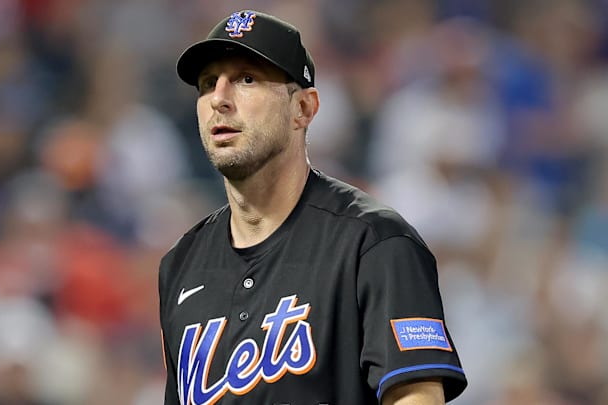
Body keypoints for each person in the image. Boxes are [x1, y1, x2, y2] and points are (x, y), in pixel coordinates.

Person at [159, 10, 467, 404]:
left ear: (303, 109)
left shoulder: (374, 243)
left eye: (246, 79)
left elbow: (416, 396)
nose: (219, 99)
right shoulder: (181, 265)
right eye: (207, 84)